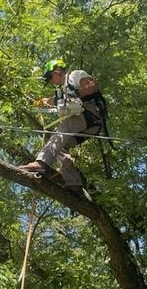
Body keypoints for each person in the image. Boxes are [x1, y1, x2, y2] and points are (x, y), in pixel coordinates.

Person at [21, 58, 106, 193]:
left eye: (50, 77)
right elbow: (56, 100)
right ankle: (74, 182)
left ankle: (42, 163)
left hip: (90, 114)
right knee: (59, 144)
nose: (51, 81)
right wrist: (42, 101)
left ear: (57, 72)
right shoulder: (63, 90)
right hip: (86, 126)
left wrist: (75, 98)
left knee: (63, 127)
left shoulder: (74, 75)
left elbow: (92, 85)